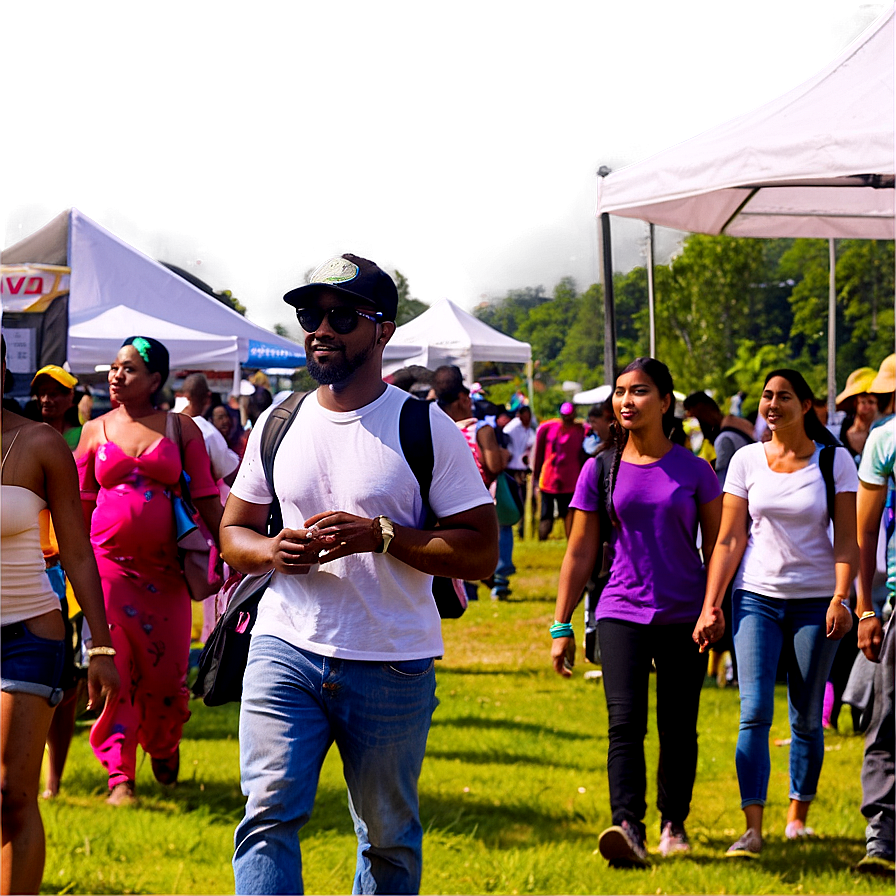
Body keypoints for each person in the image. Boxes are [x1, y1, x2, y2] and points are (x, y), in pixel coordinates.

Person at [221, 254, 497, 895]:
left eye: (341, 316)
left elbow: (481, 553)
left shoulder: (422, 427)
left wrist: (383, 536)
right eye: (309, 315)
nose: (321, 329)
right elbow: (234, 533)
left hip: (391, 661)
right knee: (266, 818)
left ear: (384, 331)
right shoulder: (278, 421)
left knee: (387, 838)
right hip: (284, 645)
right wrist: (271, 553)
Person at [552, 357, 722, 866]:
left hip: (684, 613)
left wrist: (713, 608)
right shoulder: (599, 469)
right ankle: (628, 826)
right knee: (624, 723)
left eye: (640, 391)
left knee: (678, 725)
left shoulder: (696, 471)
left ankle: (674, 823)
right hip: (621, 609)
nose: (626, 401)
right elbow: (579, 552)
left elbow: (717, 549)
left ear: (665, 402)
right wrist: (561, 625)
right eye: (621, 392)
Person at [693, 368, 858, 859]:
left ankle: (797, 819)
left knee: (806, 716)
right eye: (767, 395)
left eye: (783, 396)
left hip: (816, 601)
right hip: (756, 598)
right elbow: (728, 538)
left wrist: (842, 597)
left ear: (806, 406)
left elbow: (848, 539)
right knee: (754, 711)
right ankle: (752, 828)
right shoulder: (745, 459)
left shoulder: (836, 461)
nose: (771, 403)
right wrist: (711, 604)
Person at [76, 336, 223, 805]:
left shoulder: (182, 430)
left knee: (165, 675)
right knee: (115, 668)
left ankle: (162, 744)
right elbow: (78, 507)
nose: (116, 376)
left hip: (168, 574)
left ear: (156, 380)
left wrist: (235, 548)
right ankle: (119, 775)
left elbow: (205, 497)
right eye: (115, 368)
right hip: (109, 572)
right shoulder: (93, 431)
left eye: (130, 369)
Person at [1, 334, 119, 895]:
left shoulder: (39, 443)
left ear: (3, 372)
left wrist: (100, 645)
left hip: (28, 632)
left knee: (10, 796)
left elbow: (75, 550)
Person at [852, 365, 895, 875]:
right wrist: (867, 607)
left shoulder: (883, 437)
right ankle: (882, 842)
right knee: (887, 721)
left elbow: (865, 534)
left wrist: (867, 606)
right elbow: (865, 532)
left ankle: (882, 840)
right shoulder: (884, 440)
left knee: (886, 724)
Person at [532, 401, 586, 541]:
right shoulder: (548, 428)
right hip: (550, 478)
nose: (567, 419)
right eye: (564, 416)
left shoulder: (581, 430)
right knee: (546, 514)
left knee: (568, 513)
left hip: (570, 480)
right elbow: (539, 453)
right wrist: (536, 476)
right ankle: (542, 538)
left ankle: (571, 538)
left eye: (569, 416)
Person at [683, 391, 755, 488]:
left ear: (700, 409)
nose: (688, 417)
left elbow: (723, 478)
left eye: (691, 414)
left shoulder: (723, 438)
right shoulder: (737, 422)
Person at [504, 403, 536, 539]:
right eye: (525, 417)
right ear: (520, 416)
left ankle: (522, 527)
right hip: (513, 467)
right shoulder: (512, 428)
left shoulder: (530, 427)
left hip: (523, 467)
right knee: (516, 498)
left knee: (524, 498)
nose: (527, 419)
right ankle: (515, 525)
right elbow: (505, 439)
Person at [836, 367, 879, 462]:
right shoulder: (841, 431)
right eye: (863, 401)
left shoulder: (885, 433)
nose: (867, 406)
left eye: (871, 402)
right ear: (855, 403)